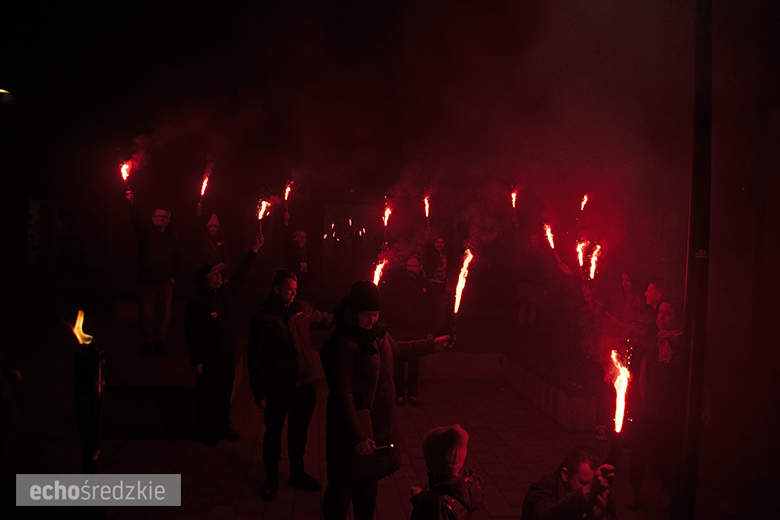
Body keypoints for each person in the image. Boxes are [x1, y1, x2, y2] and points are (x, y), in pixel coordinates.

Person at [319, 281, 452, 520]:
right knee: (342, 488)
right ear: (353, 312)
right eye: (366, 315)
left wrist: (433, 345)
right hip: (350, 430)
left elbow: (398, 350)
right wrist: (357, 436)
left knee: (368, 486)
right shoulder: (342, 341)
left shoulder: (378, 334)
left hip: (375, 428)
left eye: (376, 314)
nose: (372, 320)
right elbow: (342, 393)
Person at [247, 268, 333, 500]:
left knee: (299, 432)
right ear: (277, 289)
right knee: (273, 432)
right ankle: (271, 477)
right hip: (278, 385)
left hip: (304, 384)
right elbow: (254, 358)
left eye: (296, 289)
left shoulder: (302, 309)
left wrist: (351, 317)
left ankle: (297, 472)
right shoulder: (263, 318)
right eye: (289, 289)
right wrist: (259, 391)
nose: (294, 293)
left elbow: (326, 318)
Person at [185, 234, 263, 446]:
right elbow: (192, 332)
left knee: (224, 391)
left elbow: (241, 274)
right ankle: (206, 429)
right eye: (215, 273)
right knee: (207, 393)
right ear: (205, 279)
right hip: (207, 356)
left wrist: (254, 248)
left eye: (220, 273)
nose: (220, 276)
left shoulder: (225, 294)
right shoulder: (197, 303)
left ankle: (223, 424)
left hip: (226, 353)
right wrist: (196, 360)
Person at [628, 298, 684, 510]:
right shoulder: (651, 340)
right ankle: (634, 492)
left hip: (671, 408)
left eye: (667, 313)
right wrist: (642, 402)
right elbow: (642, 374)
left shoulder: (684, 343)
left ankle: (666, 494)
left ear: (677, 317)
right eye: (660, 313)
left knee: (669, 454)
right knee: (639, 452)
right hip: (649, 407)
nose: (661, 317)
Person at [126, 191, 182, 356]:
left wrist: (174, 278)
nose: (160, 219)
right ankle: (147, 343)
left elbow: (179, 259)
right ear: (152, 218)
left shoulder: (173, 238)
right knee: (147, 314)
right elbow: (136, 221)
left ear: (168, 219)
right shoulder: (145, 234)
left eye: (164, 217)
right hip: (148, 281)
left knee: (164, 315)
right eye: (158, 216)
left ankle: (160, 342)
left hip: (166, 282)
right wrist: (132, 204)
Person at [383, 255, 435, 406]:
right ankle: (399, 395)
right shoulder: (398, 282)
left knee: (414, 365)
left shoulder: (426, 284)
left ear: (420, 267)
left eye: (414, 266)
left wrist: (430, 330)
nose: (411, 269)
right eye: (409, 266)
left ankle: (412, 394)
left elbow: (432, 308)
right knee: (399, 364)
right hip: (400, 329)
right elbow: (389, 303)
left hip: (418, 330)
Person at [410, 424, 483, 520]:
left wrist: (421, 502)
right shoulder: (463, 484)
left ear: (434, 462)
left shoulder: (440, 504)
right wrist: (421, 498)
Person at [520, 447, 616, 520]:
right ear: (565, 475)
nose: (592, 486)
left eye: (593, 482)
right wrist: (587, 492)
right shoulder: (540, 491)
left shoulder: (599, 491)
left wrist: (601, 517)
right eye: (584, 483)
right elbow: (545, 516)